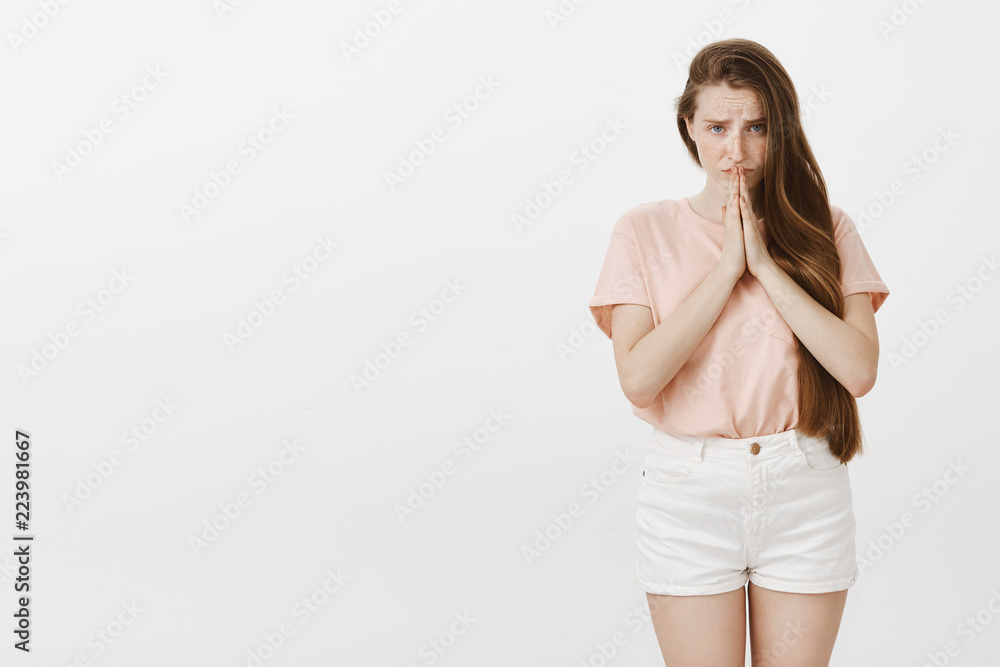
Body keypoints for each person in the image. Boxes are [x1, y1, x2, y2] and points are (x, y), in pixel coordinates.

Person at [587, 38, 889, 666]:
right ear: (689, 129)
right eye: (718, 127)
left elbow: (859, 370)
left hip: (803, 485)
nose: (738, 150)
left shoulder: (826, 227)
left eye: (757, 127)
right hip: (688, 494)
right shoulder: (643, 230)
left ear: (781, 131)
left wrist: (766, 267)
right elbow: (639, 379)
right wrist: (726, 269)